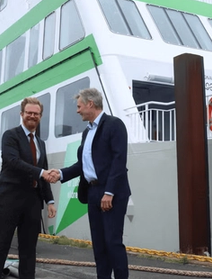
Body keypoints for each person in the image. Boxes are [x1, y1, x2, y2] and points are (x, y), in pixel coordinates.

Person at [48, 88, 131, 279]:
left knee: (112, 242)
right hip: (93, 193)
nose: (77, 111)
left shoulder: (114, 125)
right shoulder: (87, 133)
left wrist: (109, 192)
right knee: (99, 245)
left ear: (90, 104)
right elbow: (82, 165)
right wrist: (60, 173)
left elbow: (119, 160)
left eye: (79, 106)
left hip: (112, 193)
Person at [0, 97, 57, 279]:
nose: (32, 116)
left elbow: (44, 174)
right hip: (8, 200)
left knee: (29, 250)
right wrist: (42, 172)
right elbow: (13, 162)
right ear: (22, 114)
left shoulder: (40, 143)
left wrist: (49, 200)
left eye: (36, 113)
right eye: (29, 113)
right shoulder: (10, 136)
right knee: (0, 247)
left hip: (32, 202)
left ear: (40, 116)